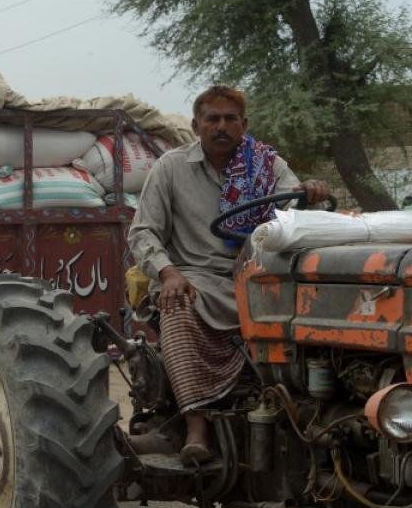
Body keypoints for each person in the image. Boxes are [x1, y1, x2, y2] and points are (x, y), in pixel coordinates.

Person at [127, 85, 329, 465]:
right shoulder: (170, 168)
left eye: (230, 119)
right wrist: (168, 273)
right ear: (196, 125)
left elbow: (292, 209)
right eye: (212, 119)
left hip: (255, 275)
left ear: (244, 124)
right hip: (194, 276)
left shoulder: (268, 166)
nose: (221, 126)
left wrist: (308, 194)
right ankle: (196, 428)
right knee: (177, 304)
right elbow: (143, 232)